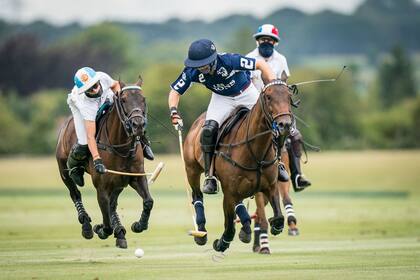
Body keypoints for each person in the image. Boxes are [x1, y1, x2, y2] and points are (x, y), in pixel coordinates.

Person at [168, 39, 276, 194]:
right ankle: (210, 175)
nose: (202, 69)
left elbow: (261, 65)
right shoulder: (192, 71)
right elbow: (175, 92)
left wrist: (273, 84)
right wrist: (174, 111)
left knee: (271, 122)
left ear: (213, 60)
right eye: (198, 66)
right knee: (208, 130)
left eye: (204, 65)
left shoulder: (230, 60)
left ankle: (277, 163)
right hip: (221, 98)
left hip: (246, 93)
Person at [246, 24, 311, 192]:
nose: (266, 42)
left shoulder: (281, 59)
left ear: (275, 42)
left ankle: (296, 175)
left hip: (274, 108)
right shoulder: (249, 58)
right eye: (263, 39)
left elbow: (284, 83)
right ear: (257, 41)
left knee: (294, 136)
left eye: (270, 40)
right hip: (251, 105)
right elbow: (245, 83)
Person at [67, 67, 154, 187]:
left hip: (105, 95)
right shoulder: (85, 105)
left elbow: (115, 85)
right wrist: (97, 159)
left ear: (97, 80)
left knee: (127, 117)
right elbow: (90, 136)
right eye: (89, 89)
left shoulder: (102, 77)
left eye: (95, 85)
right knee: (83, 142)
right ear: (85, 90)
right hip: (79, 104)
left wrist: (120, 98)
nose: (94, 89)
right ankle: (74, 168)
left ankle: (144, 142)